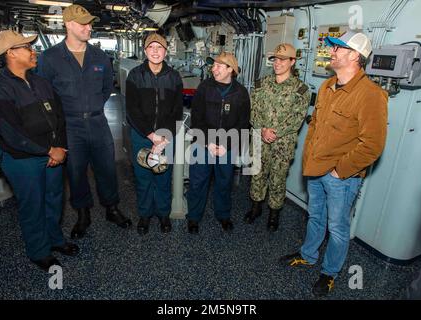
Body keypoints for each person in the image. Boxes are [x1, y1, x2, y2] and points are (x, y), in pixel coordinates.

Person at [279, 31, 388, 297]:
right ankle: (308, 254)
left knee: (337, 228)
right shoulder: (328, 86)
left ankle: (330, 272)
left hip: (342, 176)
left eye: (339, 48)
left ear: (354, 56)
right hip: (315, 168)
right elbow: (316, 125)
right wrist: (309, 158)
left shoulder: (371, 95)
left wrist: (341, 171)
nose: (333, 52)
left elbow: (372, 145)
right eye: (334, 47)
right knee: (315, 216)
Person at [0, 30, 79, 271]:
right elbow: (12, 134)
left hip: (53, 153)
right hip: (23, 160)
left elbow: (59, 117)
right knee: (33, 206)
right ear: (12, 53)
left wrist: (60, 148)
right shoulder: (0, 91)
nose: (33, 51)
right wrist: (48, 151)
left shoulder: (40, 82)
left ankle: (55, 240)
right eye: (27, 47)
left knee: (54, 200)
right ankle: (39, 251)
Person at [37, 4, 131, 239]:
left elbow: (107, 87)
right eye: (83, 24)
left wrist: (93, 107)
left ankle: (111, 208)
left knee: (107, 169)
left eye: (90, 23)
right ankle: (82, 214)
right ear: (69, 24)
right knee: (76, 172)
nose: (89, 27)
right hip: (69, 125)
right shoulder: (49, 59)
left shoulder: (100, 56)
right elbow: (44, 95)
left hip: (98, 122)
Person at [245, 43, 310, 231]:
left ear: (292, 62)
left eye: (283, 59)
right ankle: (256, 207)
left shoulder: (301, 89)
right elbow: (253, 110)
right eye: (275, 59)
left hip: (283, 143)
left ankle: (274, 214)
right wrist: (263, 129)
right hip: (259, 138)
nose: (277, 63)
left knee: (278, 178)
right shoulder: (261, 84)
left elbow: (297, 118)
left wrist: (275, 132)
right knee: (257, 174)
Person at [186, 52, 250, 234]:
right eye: (213, 65)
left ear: (231, 70)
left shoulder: (241, 93)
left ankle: (223, 215)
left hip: (226, 147)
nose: (214, 69)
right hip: (203, 144)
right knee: (198, 182)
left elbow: (243, 124)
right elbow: (196, 119)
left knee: (224, 182)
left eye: (219, 66)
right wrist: (207, 143)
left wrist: (226, 145)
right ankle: (193, 217)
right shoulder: (204, 88)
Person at [125, 33, 183, 235]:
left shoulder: (174, 77)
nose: (156, 51)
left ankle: (163, 215)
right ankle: (145, 215)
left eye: (160, 47)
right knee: (143, 177)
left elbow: (177, 111)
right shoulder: (135, 75)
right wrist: (151, 135)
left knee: (163, 176)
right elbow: (132, 110)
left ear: (166, 51)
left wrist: (164, 137)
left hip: (166, 137)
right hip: (142, 135)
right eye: (152, 47)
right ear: (145, 50)